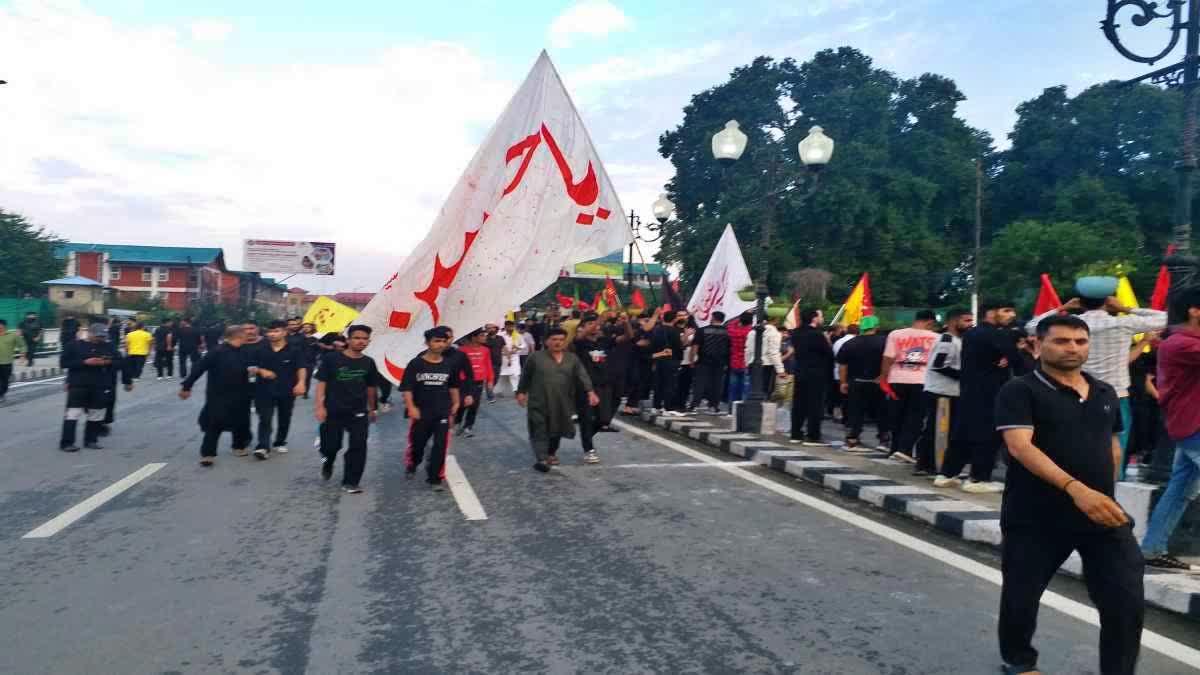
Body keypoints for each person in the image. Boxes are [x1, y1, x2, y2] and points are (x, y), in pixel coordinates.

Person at [995, 314, 1142, 675]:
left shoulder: (1105, 392)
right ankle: (1019, 661)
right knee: (1022, 595)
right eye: (1061, 341)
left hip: (1099, 513)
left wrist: (1107, 495)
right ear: (1037, 345)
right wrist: (1075, 489)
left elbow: (1113, 448)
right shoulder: (1020, 390)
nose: (1072, 348)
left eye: (1080, 341)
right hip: (1036, 515)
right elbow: (1020, 447)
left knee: (1125, 598)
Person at [1028, 294, 1167, 472]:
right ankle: (1110, 487)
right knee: (1115, 446)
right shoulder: (1124, 323)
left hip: (1073, 392)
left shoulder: (1071, 325)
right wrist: (1126, 309)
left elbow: (1032, 326)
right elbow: (1166, 318)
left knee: (1072, 444)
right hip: (1116, 394)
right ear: (1109, 303)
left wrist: (1063, 307)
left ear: (1079, 302)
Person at [1140, 287, 1200, 571]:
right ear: (1194, 310)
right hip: (1195, 425)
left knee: (1180, 490)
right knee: (1181, 489)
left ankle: (1152, 549)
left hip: (1187, 425)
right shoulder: (1181, 344)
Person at [944, 301, 1023, 493]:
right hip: (991, 392)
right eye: (1006, 310)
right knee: (987, 435)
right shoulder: (996, 334)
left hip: (969, 390)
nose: (1011, 315)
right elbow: (1017, 361)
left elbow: (991, 357)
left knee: (962, 433)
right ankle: (979, 479)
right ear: (990, 313)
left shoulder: (971, 333)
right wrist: (1019, 351)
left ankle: (947, 474)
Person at [517, 327, 600, 471]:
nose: (558, 342)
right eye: (554, 339)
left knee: (557, 429)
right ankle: (542, 458)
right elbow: (525, 376)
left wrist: (590, 392)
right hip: (539, 400)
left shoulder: (572, 359)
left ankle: (550, 453)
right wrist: (521, 392)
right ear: (546, 341)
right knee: (539, 428)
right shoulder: (535, 358)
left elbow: (582, 375)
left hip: (563, 402)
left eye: (561, 340)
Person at [315, 325, 380, 494]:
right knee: (331, 446)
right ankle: (328, 461)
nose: (361, 341)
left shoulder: (369, 362)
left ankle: (351, 482)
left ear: (369, 341)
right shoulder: (331, 359)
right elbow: (321, 383)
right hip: (334, 410)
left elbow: (371, 387)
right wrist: (320, 406)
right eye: (357, 338)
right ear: (348, 339)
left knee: (358, 446)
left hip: (358, 411)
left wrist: (373, 409)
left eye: (365, 339)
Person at [179, 325, 254, 465]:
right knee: (214, 423)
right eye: (245, 333)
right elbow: (199, 368)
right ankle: (208, 454)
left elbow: (253, 368)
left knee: (241, 421)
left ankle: (239, 446)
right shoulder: (217, 352)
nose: (247, 335)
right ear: (238, 336)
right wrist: (187, 386)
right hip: (219, 394)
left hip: (242, 393)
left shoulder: (246, 351)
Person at [401, 327, 461, 490]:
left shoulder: (449, 364)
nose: (440, 344)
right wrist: (411, 407)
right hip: (421, 412)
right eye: (436, 341)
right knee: (417, 443)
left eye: (443, 341)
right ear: (427, 343)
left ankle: (434, 478)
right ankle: (412, 463)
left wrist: (456, 403)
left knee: (440, 446)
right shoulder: (416, 363)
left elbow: (453, 386)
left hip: (442, 411)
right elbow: (407, 388)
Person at [60, 323, 133, 451]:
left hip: (100, 384)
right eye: (98, 336)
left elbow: (121, 362)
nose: (100, 339)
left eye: (103, 336)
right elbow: (64, 363)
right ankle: (67, 443)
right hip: (78, 384)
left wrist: (106, 362)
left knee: (96, 413)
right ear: (89, 333)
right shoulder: (74, 345)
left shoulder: (108, 346)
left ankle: (91, 440)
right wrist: (84, 362)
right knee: (73, 413)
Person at [919, 309, 974, 478]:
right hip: (941, 392)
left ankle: (931, 464)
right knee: (937, 431)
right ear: (953, 321)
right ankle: (929, 465)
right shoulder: (947, 340)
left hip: (950, 392)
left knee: (943, 431)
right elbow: (940, 364)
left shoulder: (959, 340)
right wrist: (965, 375)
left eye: (971, 320)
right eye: (966, 320)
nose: (970, 324)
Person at [879, 310, 939, 463]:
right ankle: (905, 450)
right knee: (915, 417)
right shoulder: (936, 338)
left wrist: (884, 378)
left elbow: (887, 358)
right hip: (922, 381)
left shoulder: (896, 334)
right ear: (930, 322)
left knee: (897, 415)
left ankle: (894, 448)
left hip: (897, 379)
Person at [246, 320, 307, 460]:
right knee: (265, 418)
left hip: (287, 389)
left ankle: (280, 441)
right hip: (264, 389)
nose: (272, 334)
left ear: (285, 332)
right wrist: (261, 370)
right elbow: (249, 367)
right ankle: (263, 446)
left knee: (284, 416)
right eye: (270, 331)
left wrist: (301, 383)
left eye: (276, 331)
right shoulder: (260, 349)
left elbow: (301, 367)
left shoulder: (294, 349)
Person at [837, 316, 889, 451]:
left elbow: (842, 365)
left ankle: (853, 437)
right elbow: (889, 361)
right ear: (876, 327)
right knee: (881, 411)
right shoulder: (884, 342)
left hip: (856, 382)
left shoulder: (850, 343)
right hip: (878, 382)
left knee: (855, 410)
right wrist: (884, 376)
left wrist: (843, 382)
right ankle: (884, 439)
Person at [575, 312, 630, 433]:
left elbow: (627, 336)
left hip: (605, 382)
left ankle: (593, 432)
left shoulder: (604, 341)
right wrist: (600, 320)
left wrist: (626, 323)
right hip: (588, 385)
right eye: (590, 324)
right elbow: (580, 337)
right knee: (589, 416)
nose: (595, 326)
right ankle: (587, 441)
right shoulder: (580, 342)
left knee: (603, 418)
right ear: (583, 327)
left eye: (596, 324)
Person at [789, 308, 833, 446]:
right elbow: (828, 354)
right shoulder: (817, 335)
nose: (822, 318)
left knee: (798, 403)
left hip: (800, 371)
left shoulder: (795, 333)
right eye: (820, 316)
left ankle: (795, 433)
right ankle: (813, 435)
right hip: (816, 373)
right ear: (814, 318)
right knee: (815, 404)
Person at [689, 311, 730, 414]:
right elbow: (729, 348)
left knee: (699, 383)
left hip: (703, 360)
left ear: (713, 318)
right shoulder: (727, 332)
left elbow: (695, 346)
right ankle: (714, 405)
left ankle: (695, 405)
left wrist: (692, 359)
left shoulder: (702, 330)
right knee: (717, 384)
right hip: (720, 361)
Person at [456, 330, 495, 437]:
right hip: (464, 382)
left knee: (474, 405)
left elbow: (488, 366)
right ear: (473, 337)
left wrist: (490, 381)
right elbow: (457, 368)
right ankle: (457, 423)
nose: (485, 337)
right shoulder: (462, 350)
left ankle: (468, 427)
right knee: (462, 404)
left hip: (478, 382)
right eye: (482, 335)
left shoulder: (486, 350)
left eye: (485, 335)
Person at [650, 310, 686, 415]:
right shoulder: (675, 331)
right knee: (670, 385)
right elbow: (679, 346)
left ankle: (656, 406)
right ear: (674, 319)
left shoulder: (656, 330)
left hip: (659, 359)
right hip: (672, 360)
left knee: (659, 384)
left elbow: (653, 345)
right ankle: (667, 408)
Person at [750, 314, 786, 399]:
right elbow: (773, 352)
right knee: (765, 392)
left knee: (752, 390)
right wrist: (780, 369)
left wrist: (748, 362)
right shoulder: (775, 333)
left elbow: (748, 349)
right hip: (767, 365)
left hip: (753, 364)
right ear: (776, 319)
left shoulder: (753, 331)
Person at [727, 311, 754, 405]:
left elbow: (730, 324)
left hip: (734, 362)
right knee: (745, 388)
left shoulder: (733, 331)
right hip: (746, 363)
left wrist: (741, 316)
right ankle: (742, 409)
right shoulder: (751, 332)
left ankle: (731, 410)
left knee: (733, 387)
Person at [0, 319, 26, 404]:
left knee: (5, 381)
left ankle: (2, 394)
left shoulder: (12, 335)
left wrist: (22, 356)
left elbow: (22, 345)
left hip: (6, 363)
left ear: (4, 326)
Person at [498, 321, 522, 395]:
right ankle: (499, 391)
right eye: (508, 326)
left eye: (512, 326)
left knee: (514, 374)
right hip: (503, 357)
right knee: (502, 376)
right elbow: (497, 345)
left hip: (514, 357)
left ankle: (516, 390)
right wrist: (505, 352)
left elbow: (523, 345)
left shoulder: (518, 335)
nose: (510, 327)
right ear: (505, 326)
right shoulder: (500, 335)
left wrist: (517, 347)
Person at [484, 323, 504, 402]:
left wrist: (509, 357)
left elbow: (503, 348)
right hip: (488, 363)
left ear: (495, 328)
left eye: (491, 328)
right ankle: (490, 396)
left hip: (498, 362)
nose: (490, 330)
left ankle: (489, 391)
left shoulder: (500, 338)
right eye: (488, 328)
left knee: (495, 379)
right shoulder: (484, 339)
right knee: (490, 379)